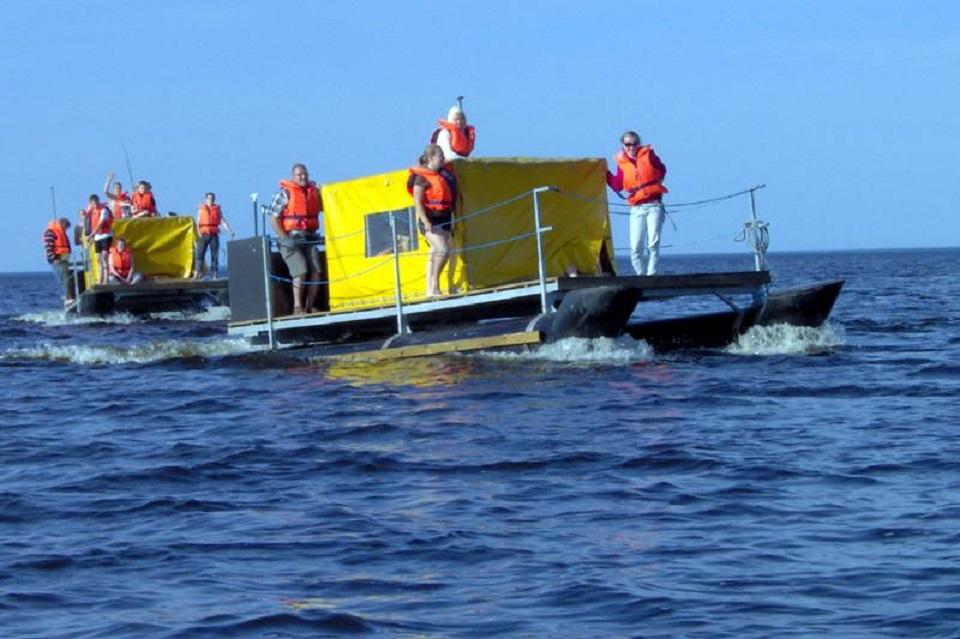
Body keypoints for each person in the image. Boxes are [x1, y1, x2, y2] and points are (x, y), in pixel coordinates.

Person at [606, 130, 668, 276]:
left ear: (638, 144)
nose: (631, 148)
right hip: (636, 208)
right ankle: (640, 275)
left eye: (634, 144)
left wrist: (655, 180)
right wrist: (605, 174)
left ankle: (651, 274)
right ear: (623, 145)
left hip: (654, 205)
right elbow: (617, 185)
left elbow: (662, 169)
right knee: (636, 246)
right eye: (628, 144)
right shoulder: (622, 163)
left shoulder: (649, 156)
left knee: (653, 243)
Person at [269, 163, 323, 314]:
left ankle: (310, 305)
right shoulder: (285, 193)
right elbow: (274, 218)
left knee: (316, 270)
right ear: (293, 176)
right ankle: (297, 307)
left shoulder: (314, 193)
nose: (303, 177)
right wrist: (284, 238)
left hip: (309, 238)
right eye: (299, 175)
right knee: (300, 269)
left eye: (305, 174)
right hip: (290, 239)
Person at [407, 144, 457, 297]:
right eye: (439, 157)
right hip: (430, 220)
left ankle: (430, 289)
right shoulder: (420, 177)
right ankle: (435, 284)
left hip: (445, 217)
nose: (442, 159)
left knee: (434, 251)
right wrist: (425, 221)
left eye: (442, 156)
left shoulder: (442, 174)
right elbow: (418, 202)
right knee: (443, 250)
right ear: (430, 159)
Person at [195, 192, 234, 279]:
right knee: (200, 253)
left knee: (214, 254)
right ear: (206, 199)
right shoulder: (202, 209)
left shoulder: (217, 209)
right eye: (209, 198)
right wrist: (198, 233)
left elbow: (222, 220)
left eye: (212, 198)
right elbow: (198, 222)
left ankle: (214, 273)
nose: (211, 200)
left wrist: (229, 230)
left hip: (213, 233)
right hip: (204, 233)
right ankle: (198, 272)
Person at [43, 217, 75, 304]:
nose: (66, 229)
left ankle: (69, 296)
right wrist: (54, 258)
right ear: (63, 224)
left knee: (66, 277)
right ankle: (68, 297)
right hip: (58, 258)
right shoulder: (51, 232)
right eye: (66, 227)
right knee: (63, 278)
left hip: (64, 257)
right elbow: (48, 247)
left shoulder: (61, 232)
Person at [82, 194, 113, 285]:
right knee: (99, 258)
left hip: (106, 235)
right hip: (97, 237)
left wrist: (92, 234)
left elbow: (100, 223)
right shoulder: (91, 211)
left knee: (104, 257)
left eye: (95, 203)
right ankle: (100, 279)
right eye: (92, 204)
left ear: (98, 202)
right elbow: (86, 218)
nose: (94, 205)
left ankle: (106, 280)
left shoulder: (103, 210)